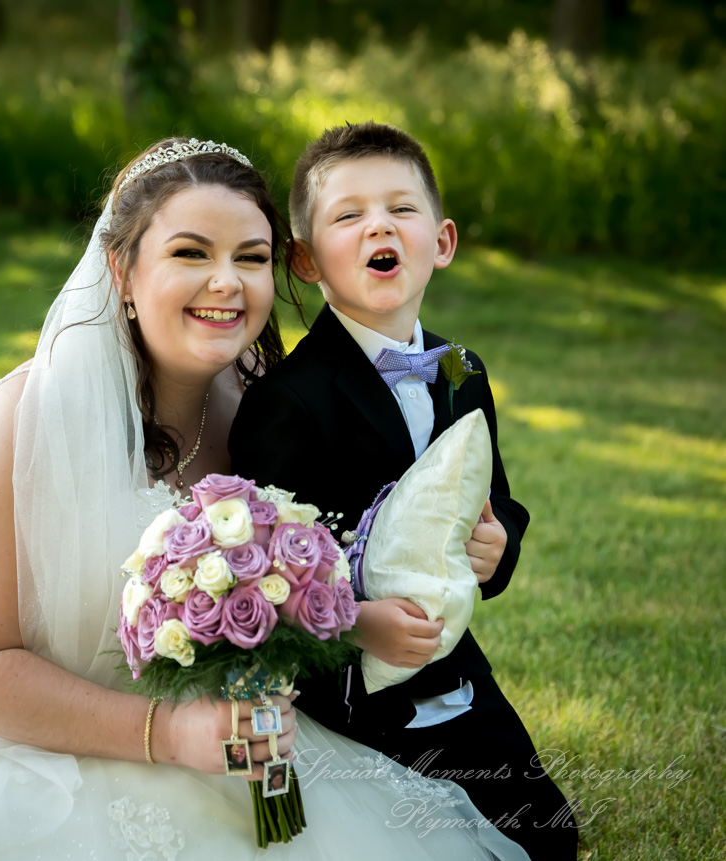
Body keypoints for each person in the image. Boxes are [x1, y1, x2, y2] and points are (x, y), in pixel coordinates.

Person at [0, 136, 528, 860]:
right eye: (191, 253)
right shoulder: (22, 422)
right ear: (122, 270)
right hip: (16, 750)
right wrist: (167, 733)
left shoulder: (261, 403)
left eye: (250, 258)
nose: (226, 282)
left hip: (221, 734)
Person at [229, 122, 579, 859]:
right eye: (349, 215)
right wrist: (357, 624)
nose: (379, 226)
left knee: (547, 837)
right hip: (351, 694)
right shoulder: (288, 401)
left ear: (442, 242)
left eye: (401, 209)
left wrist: (500, 543)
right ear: (305, 259)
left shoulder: (461, 368)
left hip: (455, 669)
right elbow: (269, 568)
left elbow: (498, 497)